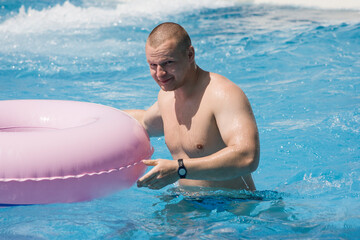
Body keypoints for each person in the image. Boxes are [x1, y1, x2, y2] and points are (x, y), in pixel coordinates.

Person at [125, 22, 259, 191]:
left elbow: (247, 157)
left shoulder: (222, 95)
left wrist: (180, 169)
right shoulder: (166, 97)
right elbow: (144, 122)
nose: (159, 74)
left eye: (168, 63)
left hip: (232, 207)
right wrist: (93, 114)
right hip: (186, 204)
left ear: (190, 54)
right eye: (153, 65)